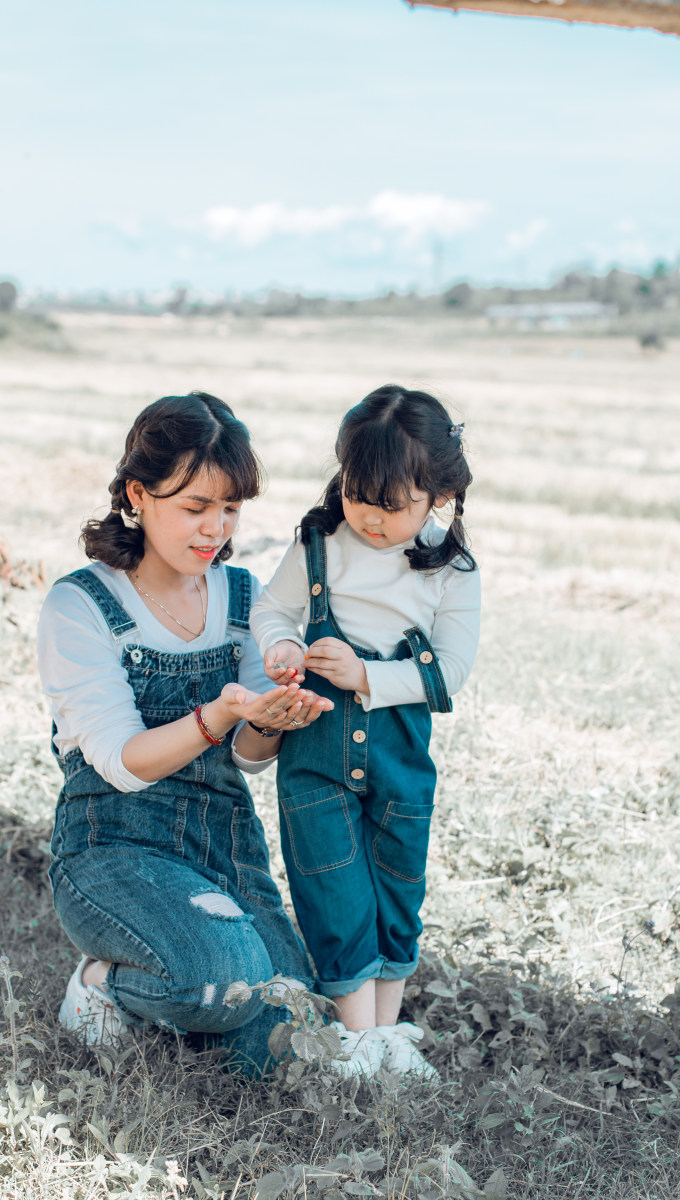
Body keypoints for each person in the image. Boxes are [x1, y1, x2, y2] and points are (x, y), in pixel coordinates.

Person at [38, 392, 334, 1077]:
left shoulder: (242, 596)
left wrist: (267, 721)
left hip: (222, 845)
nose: (215, 530)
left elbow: (249, 759)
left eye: (230, 509)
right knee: (220, 984)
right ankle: (101, 984)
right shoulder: (80, 604)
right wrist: (218, 715)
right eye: (195, 508)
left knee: (293, 1031)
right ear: (138, 496)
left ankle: (179, 986)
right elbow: (119, 762)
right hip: (112, 848)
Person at [250, 384, 481, 1080]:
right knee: (333, 889)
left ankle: (384, 1031)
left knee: (394, 892)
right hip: (314, 760)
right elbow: (272, 611)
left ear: (437, 495)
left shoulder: (450, 571)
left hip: (400, 765)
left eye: (395, 506)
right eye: (360, 496)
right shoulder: (319, 544)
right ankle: (357, 1042)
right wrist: (282, 651)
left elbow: (451, 673)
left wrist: (365, 678)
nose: (373, 520)